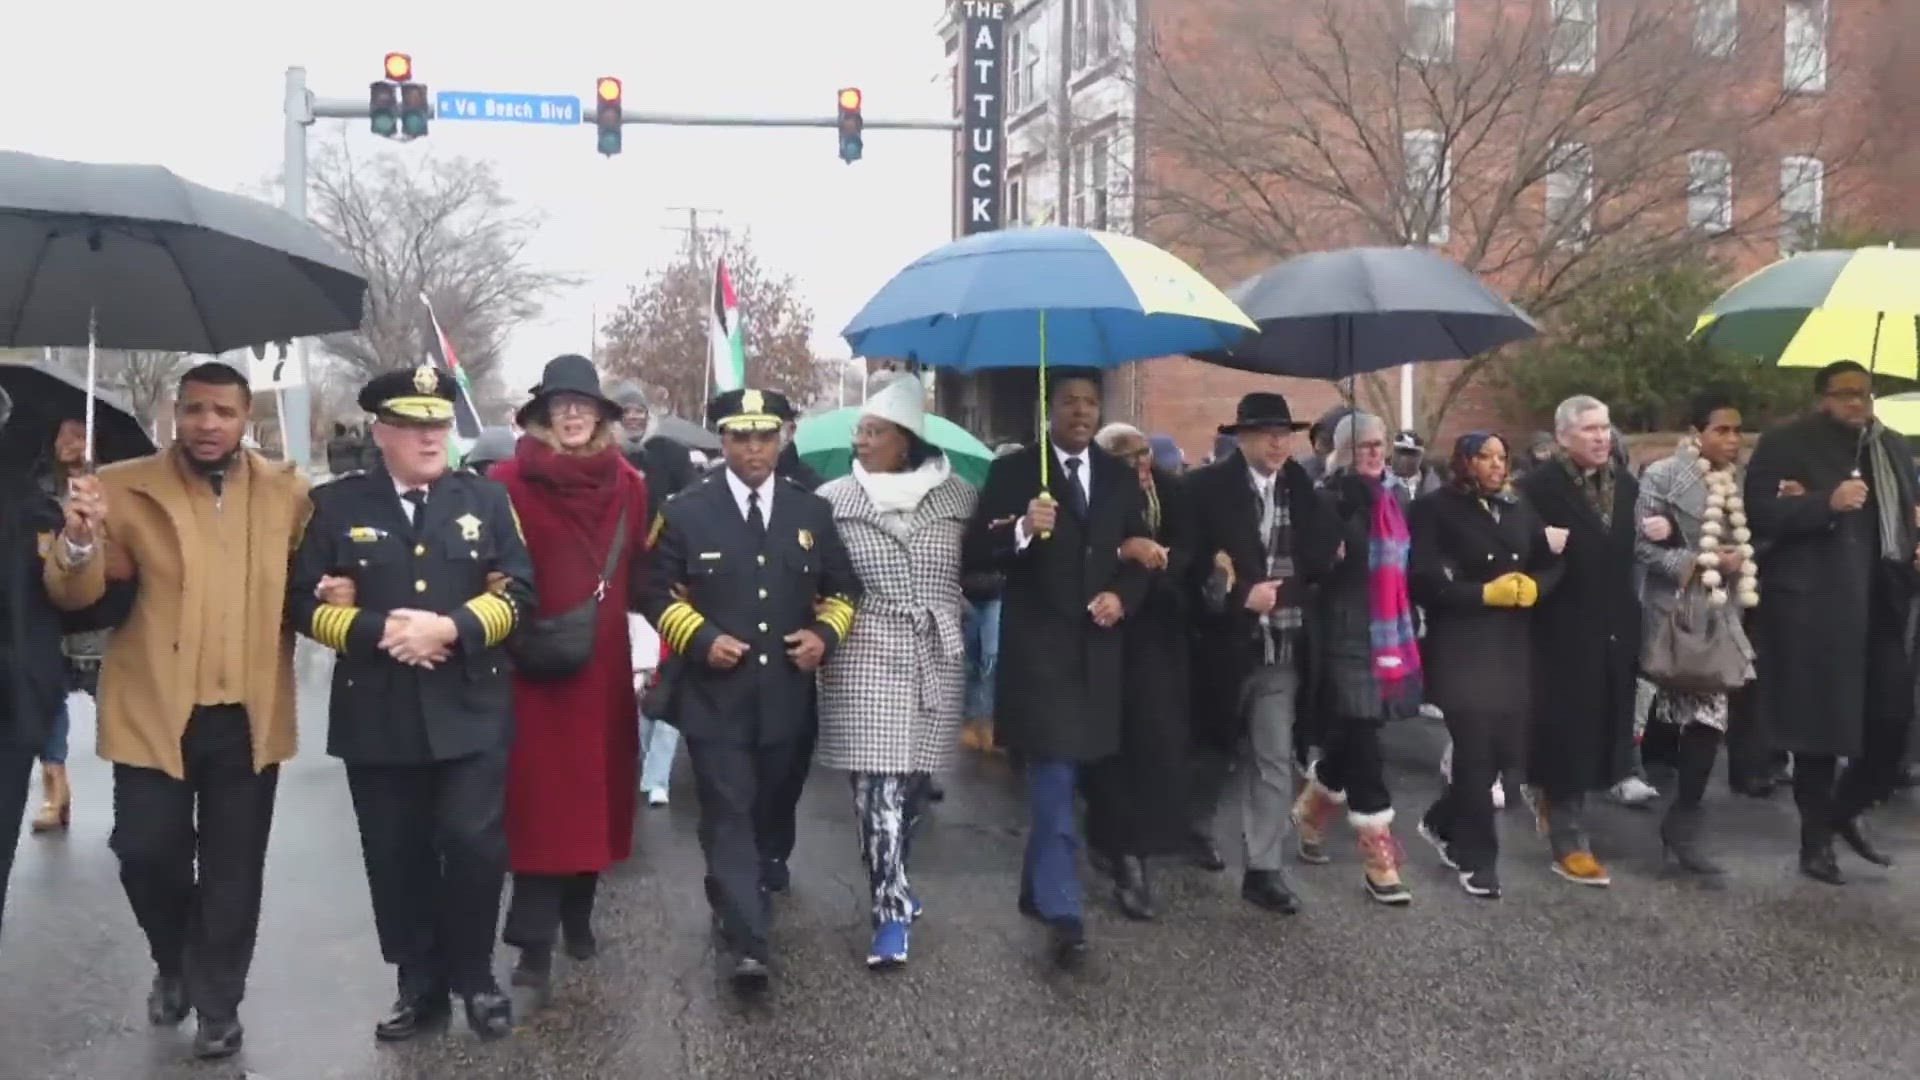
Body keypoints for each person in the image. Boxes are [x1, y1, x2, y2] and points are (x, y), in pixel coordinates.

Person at [43, 362, 310, 1060]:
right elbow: (75, 597)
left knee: (233, 869)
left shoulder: (288, 493)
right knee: (144, 853)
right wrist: (78, 539)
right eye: (195, 410)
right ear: (176, 413)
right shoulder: (122, 489)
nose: (208, 424)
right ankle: (175, 959)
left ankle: (218, 1003)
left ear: (246, 417)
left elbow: (312, 580)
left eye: (223, 411)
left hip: (247, 712)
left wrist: (338, 590)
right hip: (152, 708)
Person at [289, 364, 535, 1041]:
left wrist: (450, 628)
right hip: (380, 707)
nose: (430, 436)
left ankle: (476, 977)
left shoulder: (484, 500)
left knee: (472, 843)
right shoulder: (338, 505)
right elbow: (300, 604)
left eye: (438, 422)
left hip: (471, 702)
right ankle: (417, 983)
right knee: (395, 854)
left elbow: (520, 590)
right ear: (382, 431)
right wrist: (383, 632)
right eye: (413, 424)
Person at [641, 387, 859, 988]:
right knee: (728, 809)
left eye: (765, 436)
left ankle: (752, 877)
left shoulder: (809, 510)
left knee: (772, 808)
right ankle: (749, 939)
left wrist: (823, 636)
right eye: (741, 436)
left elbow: (845, 589)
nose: (754, 447)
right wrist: (699, 635)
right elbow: (652, 592)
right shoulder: (686, 510)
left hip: (787, 695)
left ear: (781, 438)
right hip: (717, 696)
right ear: (723, 440)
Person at [963, 371, 1151, 964]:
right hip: (1039, 651)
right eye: (1068, 401)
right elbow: (975, 555)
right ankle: (1065, 909)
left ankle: (1037, 887)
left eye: (1091, 403)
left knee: (1074, 775)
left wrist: (1123, 596)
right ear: (1050, 409)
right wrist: (1021, 529)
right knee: (1053, 777)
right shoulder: (1016, 473)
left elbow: (1139, 552)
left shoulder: (1119, 478)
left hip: (1098, 651)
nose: (1081, 412)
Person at [488, 355, 648, 992]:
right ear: (542, 416)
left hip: (603, 666)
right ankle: (532, 944)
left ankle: (579, 919)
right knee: (540, 804)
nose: (574, 415)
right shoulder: (505, 482)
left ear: (603, 416)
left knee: (597, 795)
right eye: (561, 407)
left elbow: (644, 566)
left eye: (584, 405)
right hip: (532, 662)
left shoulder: (630, 484)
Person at [815, 375, 975, 967]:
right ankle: (888, 913)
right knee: (874, 788)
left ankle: (898, 877)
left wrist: (1024, 533)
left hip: (935, 650)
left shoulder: (957, 498)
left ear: (904, 440)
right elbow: (820, 575)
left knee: (908, 790)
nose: (860, 439)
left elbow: (984, 567)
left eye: (873, 431)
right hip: (864, 649)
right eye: (859, 429)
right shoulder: (833, 501)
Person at [1745, 360, 1917, 885]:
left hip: (1882, 604)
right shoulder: (1786, 443)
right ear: (1821, 397)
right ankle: (1814, 842)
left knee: (1891, 723)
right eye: (1845, 394)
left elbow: (1904, 512)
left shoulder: (1887, 447)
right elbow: (1758, 514)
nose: (1856, 404)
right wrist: (1827, 502)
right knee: (1817, 732)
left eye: (1864, 395)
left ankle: (1844, 810)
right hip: (1815, 609)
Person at [1183, 393, 1337, 912]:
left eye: (1285, 432)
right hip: (1225, 645)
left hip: (1284, 646)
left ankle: (1263, 869)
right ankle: (1195, 828)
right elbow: (1184, 567)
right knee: (1212, 751)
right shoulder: (1204, 488)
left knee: (1273, 759)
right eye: (1267, 432)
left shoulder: (1302, 487)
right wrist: (1234, 596)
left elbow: (1320, 557)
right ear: (1242, 436)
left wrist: (1345, 504)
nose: (1279, 442)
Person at [1409, 433, 1564, 899]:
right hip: (1461, 645)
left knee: (1505, 756)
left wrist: (1538, 587)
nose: (1498, 466)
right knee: (1475, 755)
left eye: (1502, 457)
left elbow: (1550, 560)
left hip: (1512, 645)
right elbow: (1422, 579)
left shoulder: (1519, 506)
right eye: (1486, 458)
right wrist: (1480, 594)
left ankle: (1440, 821)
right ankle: (1478, 859)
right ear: (1464, 462)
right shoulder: (1435, 508)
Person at [1289, 412, 1424, 905]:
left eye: (1379, 444)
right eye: (1362, 444)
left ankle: (1312, 805)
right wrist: (1336, 526)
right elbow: (1312, 567)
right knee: (1366, 740)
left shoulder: (1396, 497)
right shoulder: (1327, 497)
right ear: (1343, 450)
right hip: (1344, 633)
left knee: (1354, 733)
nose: (1373, 452)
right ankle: (1378, 857)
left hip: (1389, 632)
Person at [1514, 395, 1641, 887]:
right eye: (1589, 428)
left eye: (1605, 427)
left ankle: (1557, 800)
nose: (1601, 436)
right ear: (1563, 436)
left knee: (1604, 725)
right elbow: (1509, 542)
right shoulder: (1538, 487)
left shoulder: (1626, 486)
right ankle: (1567, 837)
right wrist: (1535, 540)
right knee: (1566, 729)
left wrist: (1667, 532)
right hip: (1559, 625)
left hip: (1614, 624)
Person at [1633, 389, 1757, 877]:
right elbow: (1641, 548)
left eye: (1736, 430)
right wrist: (1700, 560)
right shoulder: (1662, 476)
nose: (1732, 439)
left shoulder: (1739, 478)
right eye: (1721, 430)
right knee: (1702, 713)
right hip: (1680, 613)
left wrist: (1739, 558)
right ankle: (1678, 812)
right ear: (1695, 434)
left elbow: (1748, 534)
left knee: (1705, 714)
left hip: (1725, 612)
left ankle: (1681, 816)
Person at [1085, 422, 1193, 921]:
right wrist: (1123, 553)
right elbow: (1077, 552)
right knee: (1111, 749)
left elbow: (1193, 544)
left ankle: (1141, 844)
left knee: (1154, 743)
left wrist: (1165, 561)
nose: (1141, 464)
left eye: (1145, 453)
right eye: (1128, 458)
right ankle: (1120, 852)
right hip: (1107, 633)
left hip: (1162, 637)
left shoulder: (1172, 491)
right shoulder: (1095, 496)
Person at [29, 416, 88, 834]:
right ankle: (56, 789)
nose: (71, 442)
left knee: (121, 698)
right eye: (64, 433)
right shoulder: (37, 482)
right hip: (45, 604)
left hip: (99, 614)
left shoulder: (114, 480)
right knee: (48, 700)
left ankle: (143, 783)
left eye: (81, 433)